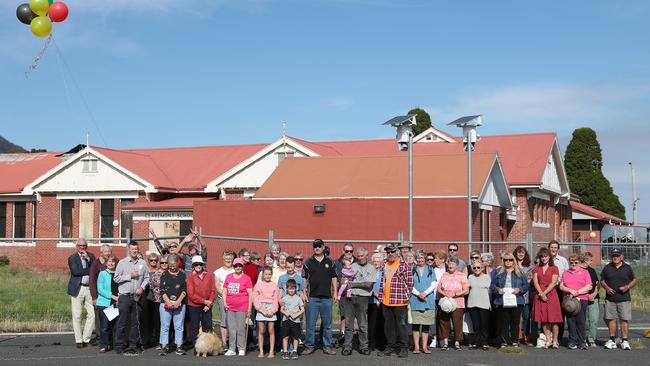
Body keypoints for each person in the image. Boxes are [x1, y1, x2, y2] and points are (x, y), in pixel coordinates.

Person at [302, 239, 338, 356]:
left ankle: (327, 346)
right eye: (315, 246)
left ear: (323, 247)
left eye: (319, 246)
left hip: (327, 298)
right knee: (310, 324)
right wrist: (304, 291)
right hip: (312, 298)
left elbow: (334, 277)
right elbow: (304, 278)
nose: (317, 248)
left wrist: (335, 293)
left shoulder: (330, 261)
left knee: (327, 324)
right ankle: (309, 346)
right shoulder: (308, 262)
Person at [377, 243, 414, 358]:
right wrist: (380, 298)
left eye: (392, 251)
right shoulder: (385, 265)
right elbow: (382, 282)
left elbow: (410, 283)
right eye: (388, 252)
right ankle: (390, 347)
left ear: (397, 252)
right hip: (386, 301)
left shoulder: (403, 265)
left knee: (401, 325)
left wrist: (406, 297)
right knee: (388, 326)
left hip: (400, 301)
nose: (390, 254)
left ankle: (404, 348)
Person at [113, 241, 149, 356]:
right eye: (132, 249)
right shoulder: (122, 263)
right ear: (129, 249)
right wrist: (130, 276)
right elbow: (116, 278)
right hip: (125, 296)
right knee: (122, 321)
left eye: (136, 249)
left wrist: (142, 288)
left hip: (136, 296)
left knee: (135, 322)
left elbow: (147, 278)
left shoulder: (143, 263)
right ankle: (119, 345)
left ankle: (133, 345)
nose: (134, 251)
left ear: (138, 250)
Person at [600, 248, 637, 350]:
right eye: (613, 256)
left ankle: (625, 341)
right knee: (611, 319)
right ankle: (612, 340)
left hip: (624, 299)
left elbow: (634, 280)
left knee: (624, 320)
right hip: (610, 299)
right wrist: (606, 288)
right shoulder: (607, 267)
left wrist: (627, 287)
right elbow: (602, 280)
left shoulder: (627, 268)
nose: (615, 257)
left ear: (621, 257)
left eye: (617, 256)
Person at [341, 247, 376, 356]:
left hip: (363, 298)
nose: (360, 258)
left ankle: (364, 346)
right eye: (359, 256)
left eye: (362, 256)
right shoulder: (353, 266)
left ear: (367, 256)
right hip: (350, 297)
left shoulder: (371, 268)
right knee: (348, 324)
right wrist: (343, 281)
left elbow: (369, 284)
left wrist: (354, 284)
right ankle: (347, 346)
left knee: (363, 325)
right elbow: (345, 279)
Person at [490, 252, 529, 348]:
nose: (508, 262)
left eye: (510, 260)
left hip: (517, 300)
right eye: (506, 260)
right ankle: (505, 342)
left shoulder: (519, 272)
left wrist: (519, 290)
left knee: (515, 322)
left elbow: (526, 285)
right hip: (502, 301)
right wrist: (498, 290)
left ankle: (515, 341)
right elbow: (492, 285)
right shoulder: (498, 272)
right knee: (504, 322)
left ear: (513, 261)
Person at [67, 239, 96, 349]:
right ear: (76, 246)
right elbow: (76, 272)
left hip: (90, 289)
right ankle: (79, 340)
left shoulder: (91, 256)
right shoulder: (72, 258)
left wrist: (88, 260)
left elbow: (96, 269)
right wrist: (90, 270)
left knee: (92, 315)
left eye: (84, 245)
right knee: (77, 315)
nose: (82, 247)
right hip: (77, 288)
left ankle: (86, 339)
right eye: (80, 245)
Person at [560, 254, 593, 350]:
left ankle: (582, 341)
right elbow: (561, 286)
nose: (573, 264)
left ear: (580, 263)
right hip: (569, 300)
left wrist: (577, 292)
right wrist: (570, 291)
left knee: (581, 321)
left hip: (581, 299)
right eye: (571, 262)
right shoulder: (566, 273)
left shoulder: (585, 272)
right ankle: (572, 341)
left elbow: (589, 286)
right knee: (571, 321)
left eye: (576, 262)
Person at [532, 247, 562, 348]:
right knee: (543, 319)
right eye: (542, 257)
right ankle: (548, 339)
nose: (544, 258)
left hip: (551, 295)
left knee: (554, 320)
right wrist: (541, 293)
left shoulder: (554, 268)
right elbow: (535, 282)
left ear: (549, 257)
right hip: (539, 295)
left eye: (545, 256)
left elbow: (554, 283)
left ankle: (555, 340)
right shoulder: (537, 268)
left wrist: (544, 293)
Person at [437, 256, 469, 351]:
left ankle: (457, 342)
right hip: (445, 302)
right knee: (444, 322)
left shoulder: (462, 275)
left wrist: (456, 294)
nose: (450, 265)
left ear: (457, 265)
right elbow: (439, 288)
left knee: (457, 323)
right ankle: (445, 342)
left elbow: (466, 290)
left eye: (453, 264)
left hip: (458, 302)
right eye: (449, 264)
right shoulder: (444, 275)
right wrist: (443, 293)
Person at [223, 258, 253, 356]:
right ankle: (232, 348)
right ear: (233, 266)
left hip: (242, 307)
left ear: (242, 266)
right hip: (230, 307)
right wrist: (224, 302)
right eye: (236, 266)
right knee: (231, 328)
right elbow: (224, 290)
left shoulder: (246, 278)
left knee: (240, 328)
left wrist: (249, 309)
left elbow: (250, 294)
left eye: (240, 266)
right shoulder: (229, 277)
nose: (238, 267)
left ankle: (241, 348)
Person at [409, 251, 437, 354]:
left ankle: (424, 347)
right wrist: (418, 294)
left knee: (426, 325)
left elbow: (434, 283)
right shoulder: (412, 269)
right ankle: (416, 347)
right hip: (415, 300)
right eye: (418, 258)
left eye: (422, 258)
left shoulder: (431, 269)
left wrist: (424, 293)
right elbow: (410, 284)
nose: (420, 259)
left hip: (427, 300)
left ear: (425, 259)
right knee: (415, 325)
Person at [159, 255, 187, 356]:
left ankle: (179, 346)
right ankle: (164, 346)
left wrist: (178, 302)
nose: (172, 267)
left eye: (174, 265)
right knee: (165, 326)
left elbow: (184, 290)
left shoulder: (182, 274)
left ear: (177, 264)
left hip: (179, 304)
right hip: (165, 303)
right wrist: (168, 302)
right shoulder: (164, 275)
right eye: (169, 265)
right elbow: (162, 290)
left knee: (179, 326)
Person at [187, 255, 215, 346]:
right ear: (193, 266)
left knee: (208, 326)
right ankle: (197, 346)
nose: (198, 266)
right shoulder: (191, 277)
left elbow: (212, 290)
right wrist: (204, 301)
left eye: (200, 264)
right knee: (195, 326)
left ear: (203, 265)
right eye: (196, 264)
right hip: (194, 305)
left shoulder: (209, 275)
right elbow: (191, 295)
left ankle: (208, 346)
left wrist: (209, 303)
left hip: (207, 305)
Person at [89, 244, 113, 344]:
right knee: (100, 319)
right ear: (101, 252)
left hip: (112, 296)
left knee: (111, 317)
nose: (107, 253)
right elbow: (92, 280)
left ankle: (110, 338)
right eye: (105, 251)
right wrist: (94, 297)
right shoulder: (96, 263)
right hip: (100, 296)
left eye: (109, 251)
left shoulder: (113, 261)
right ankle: (100, 338)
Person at [254, 266, 279, 358]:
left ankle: (271, 351)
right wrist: (261, 310)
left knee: (271, 330)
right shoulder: (258, 285)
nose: (267, 276)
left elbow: (276, 299)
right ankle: (261, 350)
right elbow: (255, 299)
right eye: (266, 274)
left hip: (271, 308)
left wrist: (273, 311)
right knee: (261, 330)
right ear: (263, 275)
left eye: (269, 274)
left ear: (271, 275)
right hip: (261, 309)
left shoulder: (274, 285)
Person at [335, 243, 356, 347]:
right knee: (343, 314)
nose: (349, 253)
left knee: (354, 315)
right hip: (343, 292)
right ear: (343, 251)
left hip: (354, 292)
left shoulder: (357, 262)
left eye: (351, 251)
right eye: (347, 251)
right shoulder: (337, 263)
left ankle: (353, 336)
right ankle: (342, 334)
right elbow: (335, 277)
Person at [97, 255, 119, 353]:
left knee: (114, 325)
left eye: (113, 262)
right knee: (105, 326)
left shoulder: (118, 274)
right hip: (104, 303)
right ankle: (104, 345)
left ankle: (114, 344)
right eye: (109, 261)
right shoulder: (102, 273)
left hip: (115, 303)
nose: (111, 263)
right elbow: (100, 289)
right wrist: (113, 296)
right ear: (106, 263)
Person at [214, 249, 236, 348]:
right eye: (226, 258)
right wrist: (226, 296)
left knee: (234, 321)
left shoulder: (236, 270)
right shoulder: (218, 272)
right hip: (223, 298)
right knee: (224, 321)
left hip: (235, 298)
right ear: (223, 258)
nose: (228, 260)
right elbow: (218, 286)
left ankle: (233, 342)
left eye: (230, 258)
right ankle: (224, 343)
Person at [467, 260, 491, 350]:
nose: (476, 269)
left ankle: (484, 342)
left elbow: (490, 290)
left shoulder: (486, 277)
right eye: (474, 268)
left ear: (482, 268)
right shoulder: (470, 277)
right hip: (472, 303)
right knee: (476, 325)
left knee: (484, 324)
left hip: (484, 303)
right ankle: (477, 342)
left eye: (478, 267)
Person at [548, 240, 568, 344]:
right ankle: (548, 336)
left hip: (559, 288)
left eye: (555, 247)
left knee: (560, 312)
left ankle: (558, 336)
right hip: (548, 289)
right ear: (549, 248)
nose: (553, 249)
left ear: (558, 249)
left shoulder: (563, 260)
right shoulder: (544, 259)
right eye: (552, 247)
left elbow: (567, 276)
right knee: (548, 311)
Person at [513, 245, 534, 345]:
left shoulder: (529, 267)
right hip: (514, 296)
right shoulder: (512, 266)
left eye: (523, 252)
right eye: (519, 252)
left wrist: (520, 286)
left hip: (525, 296)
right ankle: (515, 337)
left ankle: (526, 337)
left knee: (526, 317)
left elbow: (529, 280)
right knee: (515, 317)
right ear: (515, 254)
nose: (521, 254)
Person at [280, 279, 304, 360]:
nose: (291, 290)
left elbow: (302, 309)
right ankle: (285, 351)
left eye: (293, 288)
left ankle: (294, 351)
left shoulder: (298, 298)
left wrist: (295, 315)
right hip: (286, 320)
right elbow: (281, 309)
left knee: (295, 337)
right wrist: (286, 313)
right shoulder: (284, 298)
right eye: (290, 288)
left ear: (295, 289)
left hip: (296, 321)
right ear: (287, 289)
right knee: (285, 336)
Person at [580, 252, 600, 347]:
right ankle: (582, 338)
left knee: (593, 319)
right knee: (581, 319)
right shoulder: (578, 270)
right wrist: (586, 295)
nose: (591, 262)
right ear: (585, 260)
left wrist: (594, 293)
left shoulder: (592, 270)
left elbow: (596, 283)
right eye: (590, 260)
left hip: (593, 298)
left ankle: (591, 339)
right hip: (582, 298)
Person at [149, 254, 168, 349]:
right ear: (159, 263)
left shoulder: (170, 273)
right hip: (157, 301)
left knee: (167, 322)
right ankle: (159, 342)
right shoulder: (156, 274)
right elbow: (151, 286)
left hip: (169, 302)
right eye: (162, 262)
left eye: (166, 262)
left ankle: (167, 342)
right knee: (158, 322)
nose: (164, 264)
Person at [141, 252, 160, 348]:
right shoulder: (145, 270)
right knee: (146, 319)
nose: (153, 262)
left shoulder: (159, 271)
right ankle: (146, 339)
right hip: (146, 297)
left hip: (156, 298)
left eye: (155, 260)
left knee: (156, 320)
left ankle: (156, 340)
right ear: (148, 261)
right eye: (151, 260)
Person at [368, 252, 386, 352]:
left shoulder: (385, 271)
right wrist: (374, 293)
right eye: (374, 261)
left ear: (382, 262)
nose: (376, 263)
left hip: (383, 300)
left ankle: (382, 344)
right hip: (371, 300)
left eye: (378, 261)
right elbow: (367, 285)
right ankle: (371, 344)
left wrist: (381, 296)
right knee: (372, 324)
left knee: (382, 323)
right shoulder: (370, 271)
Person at [429, 250, 447, 348]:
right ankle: (434, 339)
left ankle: (443, 339)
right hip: (433, 297)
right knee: (433, 319)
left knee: (443, 320)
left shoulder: (447, 269)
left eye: (436, 258)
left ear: (442, 260)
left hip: (444, 298)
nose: (434, 260)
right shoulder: (432, 269)